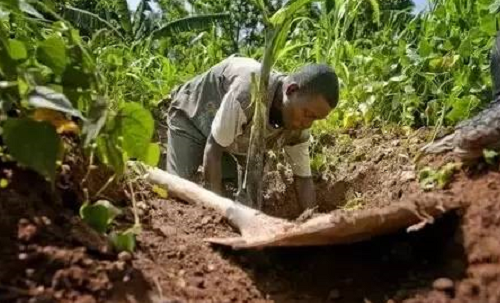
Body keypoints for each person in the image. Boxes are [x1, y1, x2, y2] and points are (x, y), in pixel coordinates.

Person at [161, 56, 339, 211]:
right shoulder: (248, 92)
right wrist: (217, 215)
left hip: (229, 139)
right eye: (307, 114)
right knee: (179, 192)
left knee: (233, 194)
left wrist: (311, 220)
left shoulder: (299, 126)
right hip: (193, 117)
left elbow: (303, 179)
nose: (307, 123)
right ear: (291, 90)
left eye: (315, 119)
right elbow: (213, 150)